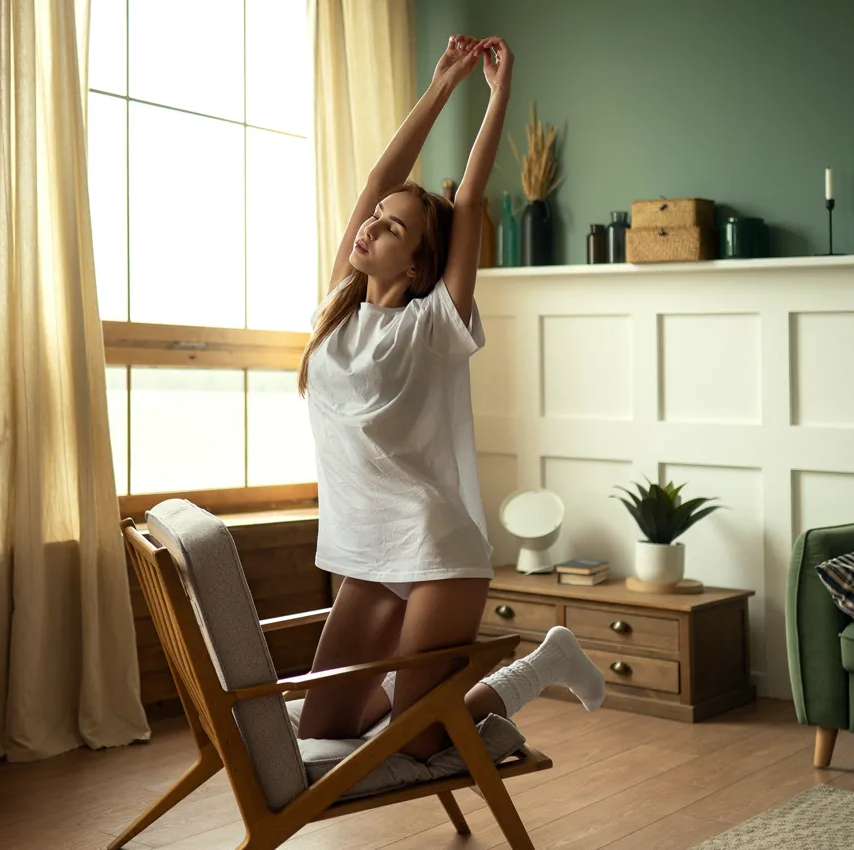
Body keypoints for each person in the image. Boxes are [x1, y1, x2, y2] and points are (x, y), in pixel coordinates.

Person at [295, 34, 605, 761]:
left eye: (392, 227)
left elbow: (465, 201)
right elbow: (376, 181)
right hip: (364, 557)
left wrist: (495, 93)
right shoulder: (336, 309)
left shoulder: (434, 324)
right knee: (323, 731)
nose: (369, 225)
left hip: (435, 550)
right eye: (373, 221)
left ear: (421, 261)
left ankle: (538, 668)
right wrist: (439, 85)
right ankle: (468, 727)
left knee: (419, 738)